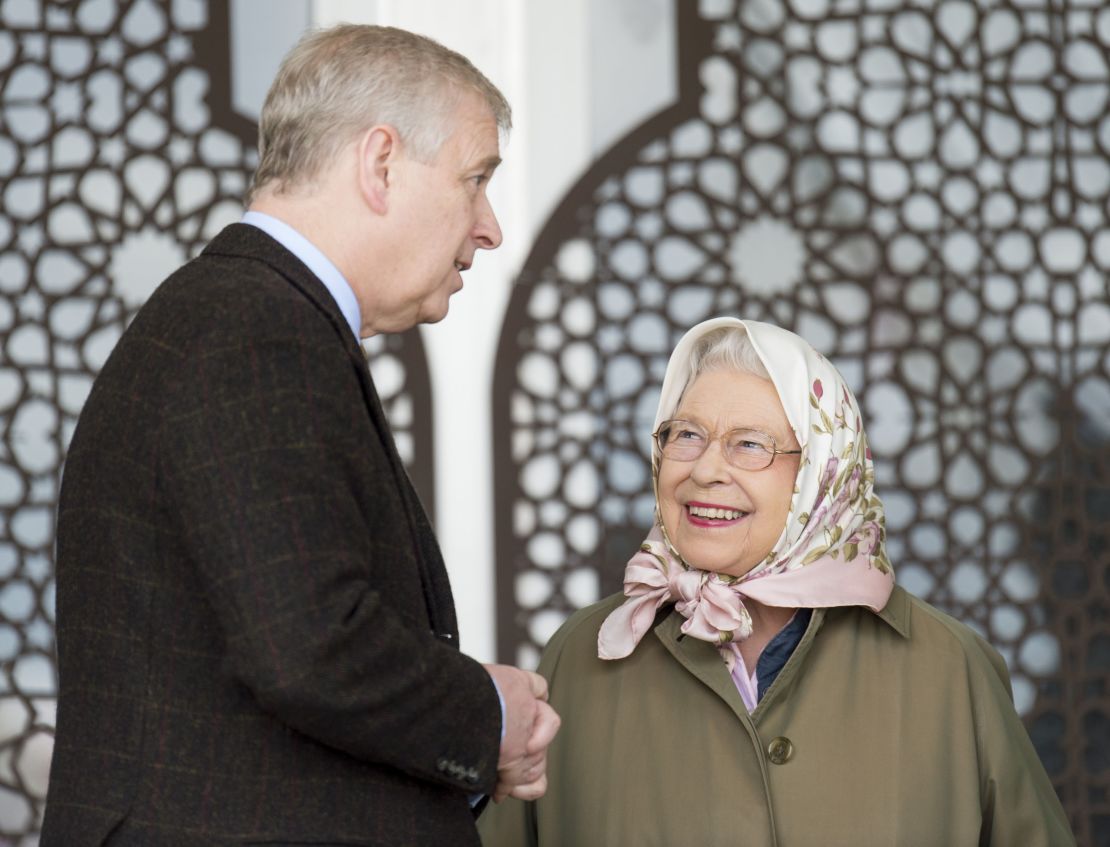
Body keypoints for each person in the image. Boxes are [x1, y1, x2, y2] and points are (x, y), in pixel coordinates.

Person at [43, 24, 558, 846]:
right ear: (380, 162)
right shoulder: (256, 330)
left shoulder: (245, 317)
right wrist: (486, 714)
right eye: (475, 179)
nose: (489, 226)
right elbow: (310, 646)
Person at [479, 317, 1075, 846]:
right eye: (685, 435)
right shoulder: (583, 655)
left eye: (750, 446)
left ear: (821, 476)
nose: (706, 470)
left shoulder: (950, 668)